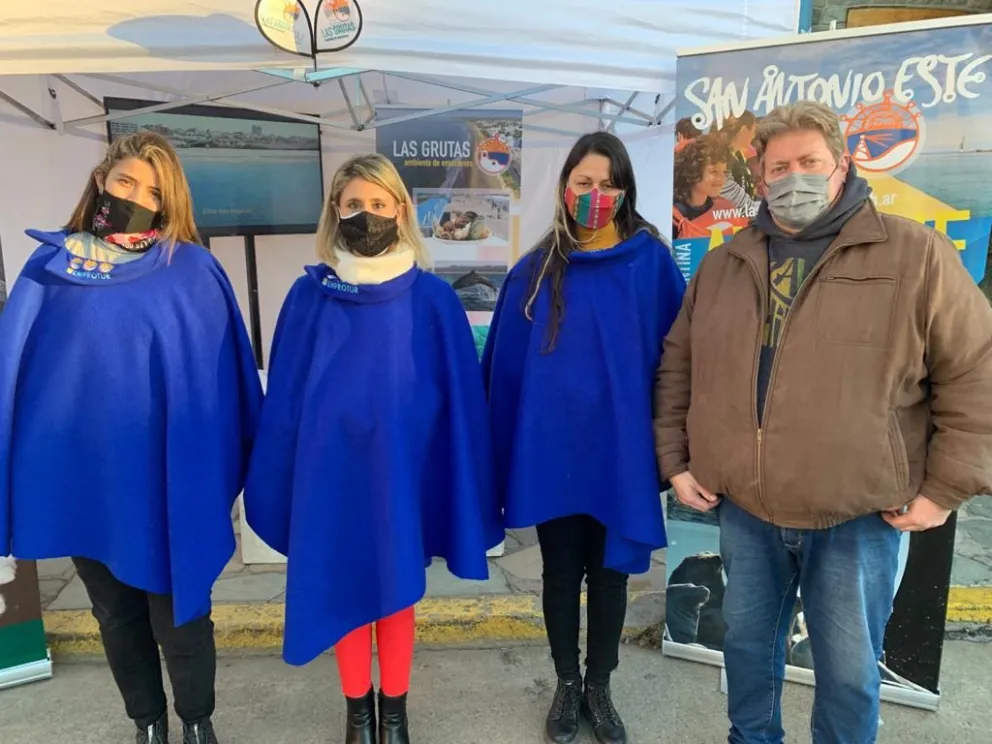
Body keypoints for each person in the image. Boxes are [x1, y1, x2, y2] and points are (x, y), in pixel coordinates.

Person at [654, 101, 992, 744]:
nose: (794, 177)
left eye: (809, 161)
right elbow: (680, 366)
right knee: (746, 651)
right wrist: (675, 460)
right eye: (779, 166)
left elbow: (976, 371)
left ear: (841, 165)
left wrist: (946, 489)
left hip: (856, 515)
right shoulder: (726, 264)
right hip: (747, 507)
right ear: (759, 176)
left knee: (847, 672)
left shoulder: (915, 254)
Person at [0, 132, 263, 744]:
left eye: (154, 192)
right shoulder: (50, 269)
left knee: (179, 612)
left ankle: (196, 722)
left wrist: (212, 470)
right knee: (114, 614)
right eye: (126, 182)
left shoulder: (190, 270)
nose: (138, 198)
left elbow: (222, 381)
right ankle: (147, 724)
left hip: (166, 479)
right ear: (101, 180)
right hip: (87, 483)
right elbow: (20, 377)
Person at [243, 153, 503, 744]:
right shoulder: (308, 298)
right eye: (354, 204)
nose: (367, 215)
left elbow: (457, 403)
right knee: (344, 585)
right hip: (332, 477)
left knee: (396, 592)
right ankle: (358, 713)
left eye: (379, 203)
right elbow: (287, 400)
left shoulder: (433, 300)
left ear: (402, 211)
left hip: (401, 474)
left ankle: (396, 713)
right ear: (335, 212)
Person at [483, 132, 686, 744]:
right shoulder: (535, 270)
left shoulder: (651, 265)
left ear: (625, 190)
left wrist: (673, 450)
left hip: (620, 454)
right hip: (553, 453)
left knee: (611, 574)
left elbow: (680, 362)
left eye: (607, 184)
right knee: (560, 572)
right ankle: (566, 683)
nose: (595, 194)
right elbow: (504, 370)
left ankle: (601, 685)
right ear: (565, 186)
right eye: (584, 182)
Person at [672, 135, 749, 240]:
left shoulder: (726, 208)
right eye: (714, 171)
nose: (721, 178)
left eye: (724, 172)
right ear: (692, 171)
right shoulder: (672, 219)